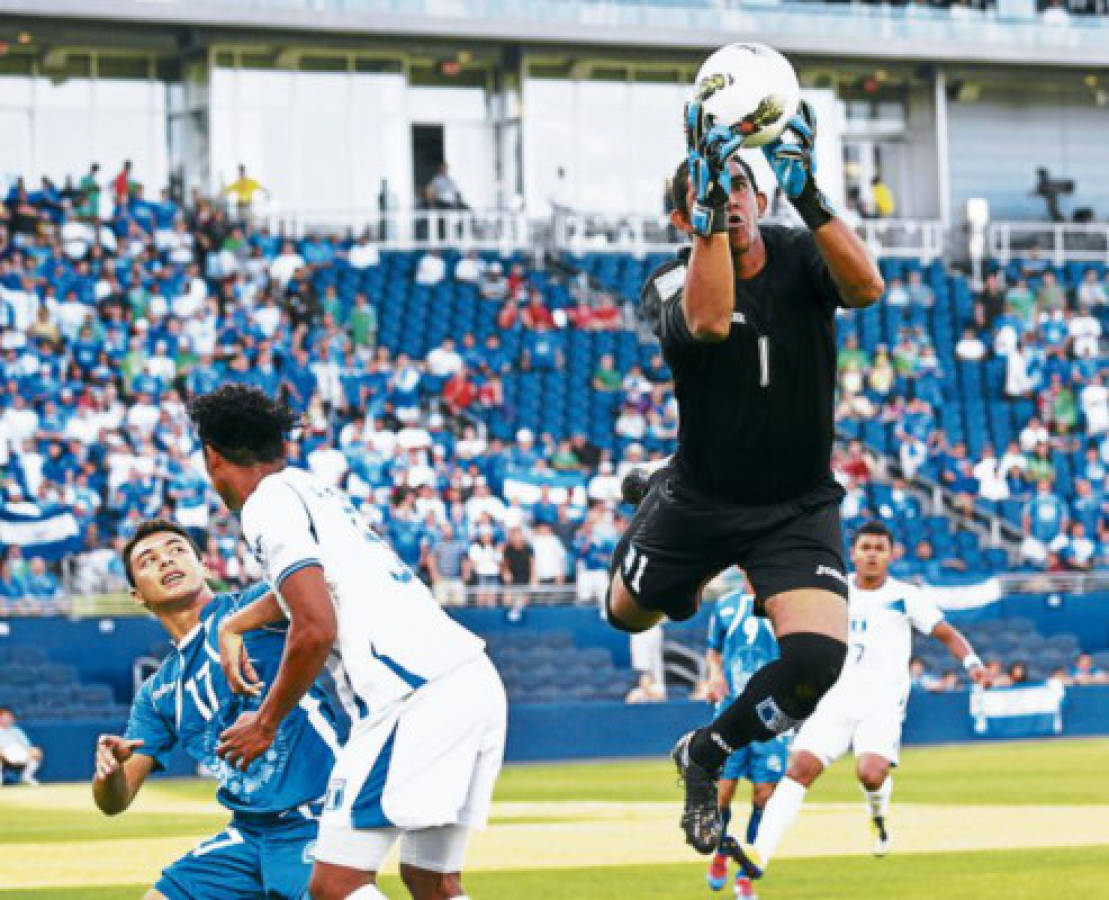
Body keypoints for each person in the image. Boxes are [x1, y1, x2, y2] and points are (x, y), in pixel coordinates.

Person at [610, 95, 883, 855]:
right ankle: (653, 494)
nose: (727, 200)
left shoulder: (801, 250)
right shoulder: (670, 282)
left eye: (738, 188)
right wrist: (707, 229)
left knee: (813, 665)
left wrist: (811, 195)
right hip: (700, 498)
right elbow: (705, 322)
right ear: (681, 219)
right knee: (626, 616)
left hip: (794, 503)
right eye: (708, 192)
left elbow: (866, 290)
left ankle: (705, 751)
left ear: (761, 198)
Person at [190, 385, 506, 900]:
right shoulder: (311, 490)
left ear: (212, 456)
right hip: (469, 678)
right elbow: (320, 586)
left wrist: (264, 723)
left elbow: (315, 626)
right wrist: (234, 624)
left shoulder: (264, 506)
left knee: (335, 885)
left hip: (413, 693)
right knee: (432, 881)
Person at [91, 519, 344, 898]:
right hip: (247, 834)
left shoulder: (249, 610)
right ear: (136, 595)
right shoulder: (158, 693)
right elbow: (116, 801)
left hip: (315, 816)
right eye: (148, 559)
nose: (165, 560)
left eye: (177, 550)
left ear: (204, 566)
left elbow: (326, 587)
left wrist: (236, 626)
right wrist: (108, 774)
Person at [730, 521, 989, 882]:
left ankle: (878, 816)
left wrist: (972, 663)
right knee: (799, 768)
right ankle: (760, 853)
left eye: (879, 548)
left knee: (869, 773)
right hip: (833, 699)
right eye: (865, 547)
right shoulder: (834, 589)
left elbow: (946, 633)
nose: (871, 554)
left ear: (890, 554)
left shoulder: (905, 596)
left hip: (881, 703)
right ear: (852, 553)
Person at [703, 580, 788, 900]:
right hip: (731, 712)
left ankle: (744, 873)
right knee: (722, 795)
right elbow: (713, 649)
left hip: (772, 715)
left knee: (765, 795)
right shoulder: (726, 605)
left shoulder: (783, 603)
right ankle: (722, 851)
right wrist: (714, 673)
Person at [0, 706, 43, 786]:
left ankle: (26, 777)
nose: (7, 719)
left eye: (9, 717)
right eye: (4, 717)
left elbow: (27, 745)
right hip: (3, 755)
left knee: (36, 751)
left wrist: (30, 751)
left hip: (17, 753)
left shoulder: (16, 730)